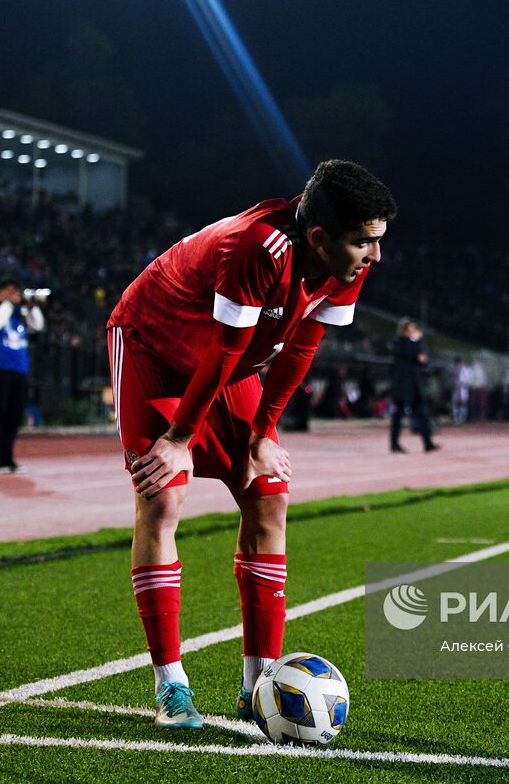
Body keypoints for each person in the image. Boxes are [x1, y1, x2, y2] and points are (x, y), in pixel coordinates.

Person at [105, 159, 394, 730]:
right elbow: (226, 349)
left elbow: (301, 348)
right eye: (364, 242)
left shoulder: (347, 263)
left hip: (227, 367)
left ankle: (259, 686)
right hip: (153, 349)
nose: (374, 256)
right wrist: (180, 439)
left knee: (269, 493)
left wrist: (262, 435)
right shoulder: (257, 246)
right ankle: (171, 686)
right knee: (162, 496)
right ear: (319, 237)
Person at [0, 279, 45, 472]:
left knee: (13, 416)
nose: (15, 295)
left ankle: (8, 458)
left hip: (19, 369)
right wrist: (8, 304)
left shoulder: (19, 312)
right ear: (0, 291)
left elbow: (38, 325)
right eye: (10, 291)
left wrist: (31, 307)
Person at [389, 319, 439, 453]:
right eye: (411, 329)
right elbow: (410, 354)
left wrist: (416, 347)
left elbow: (422, 361)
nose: (413, 332)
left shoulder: (414, 344)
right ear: (405, 330)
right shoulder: (399, 343)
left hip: (415, 386)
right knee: (398, 415)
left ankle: (428, 443)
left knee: (423, 414)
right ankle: (394, 443)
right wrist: (413, 341)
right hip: (402, 386)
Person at [450, 357, 473, 425]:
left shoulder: (465, 369)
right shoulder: (455, 369)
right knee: (457, 403)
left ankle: (461, 419)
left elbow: (467, 379)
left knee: (462, 403)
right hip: (458, 388)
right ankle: (457, 419)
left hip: (462, 388)